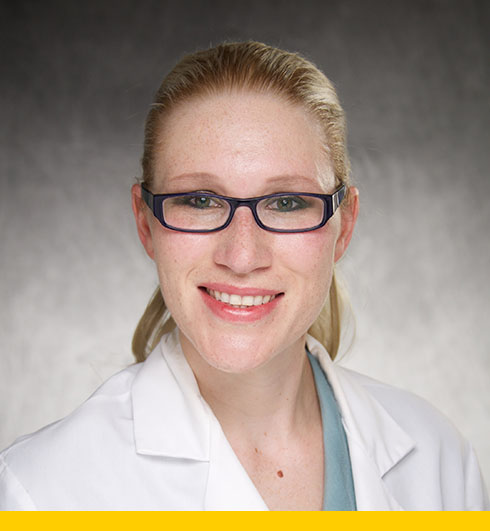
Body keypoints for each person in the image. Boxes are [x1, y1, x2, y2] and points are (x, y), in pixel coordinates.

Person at [0, 41, 488, 511]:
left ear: (345, 227)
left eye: (287, 202)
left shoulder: (440, 463)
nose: (241, 254)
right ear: (145, 223)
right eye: (200, 200)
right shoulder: (39, 491)